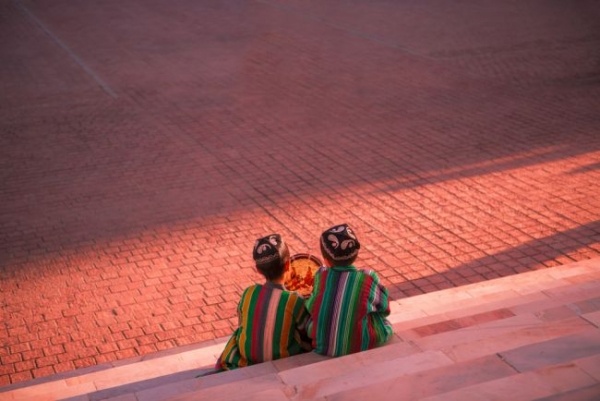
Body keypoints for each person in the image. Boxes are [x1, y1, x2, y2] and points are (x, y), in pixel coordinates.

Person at [215, 234, 312, 371]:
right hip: (282, 360)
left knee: (239, 332)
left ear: (258, 270)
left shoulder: (249, 293)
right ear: (288, 265)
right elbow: (307, 331)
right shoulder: (294, 300)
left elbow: (242, 323)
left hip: (248, 358)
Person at [305, 223, 393, 357]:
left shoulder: (320, 275)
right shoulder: (368, 277)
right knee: (384, 323)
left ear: (326, 260)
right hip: (360, 345)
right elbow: (385, 309)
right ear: (355, 255)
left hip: (323, 347)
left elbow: (311, 306)